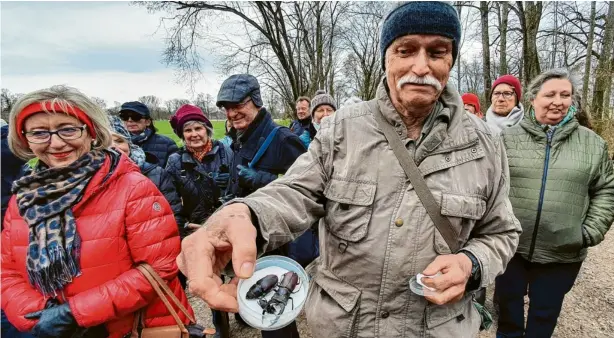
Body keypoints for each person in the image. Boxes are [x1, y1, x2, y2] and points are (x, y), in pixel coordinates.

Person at [177, 2, 521, 337]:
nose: (421, 66)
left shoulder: (484, 143)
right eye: (406, 50)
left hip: (438, 327)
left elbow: (501, 233)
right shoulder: (342, 129)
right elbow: (295, 192)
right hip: (344, 326)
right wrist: (245, 214)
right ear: (385, 57)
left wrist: (471, 265)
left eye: (436, 52)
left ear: (451, 59)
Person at [1, 85, 193, 338]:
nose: (56, 143)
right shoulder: (23, 199)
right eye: (39, 133)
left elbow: (160, 268)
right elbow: (7, 272)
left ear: (91, 132)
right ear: (25, 138)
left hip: (128, 329)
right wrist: (38, 315)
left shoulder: (131, 187)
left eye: (68, 129)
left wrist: (75, 313)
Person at [496, 68, 614, 338]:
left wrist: (589, 231)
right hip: (511, 246)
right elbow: (490, 185)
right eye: (550, 94)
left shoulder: (592, 144)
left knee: (544, 315)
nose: (558, 101)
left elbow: (606, 189)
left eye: (565, 95)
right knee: (508, 313)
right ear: (533, 99)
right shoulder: (506, 139)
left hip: (562, 251)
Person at [216, 74, 306, 338]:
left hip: (278, 239)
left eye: (238, 105)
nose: (232, 113)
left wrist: (263, 179)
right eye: (227, 107)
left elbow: (310, 187)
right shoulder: (241, 136)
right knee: (259, 302)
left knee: (277, 311)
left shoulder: (282, 138)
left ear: (255, 100)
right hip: (251, 236)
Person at [108, 115, 182, 228]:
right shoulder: (87, 179)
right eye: (106, 142)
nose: (114, 146)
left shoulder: (156, 174)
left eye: (119, 141)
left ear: (129, 144)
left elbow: (174, 215)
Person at [119, 101, 178, 167]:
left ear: (148, 122)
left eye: (135, 117)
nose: (130, 120)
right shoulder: (113, 144)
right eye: (124, 117)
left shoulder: (167, 144)